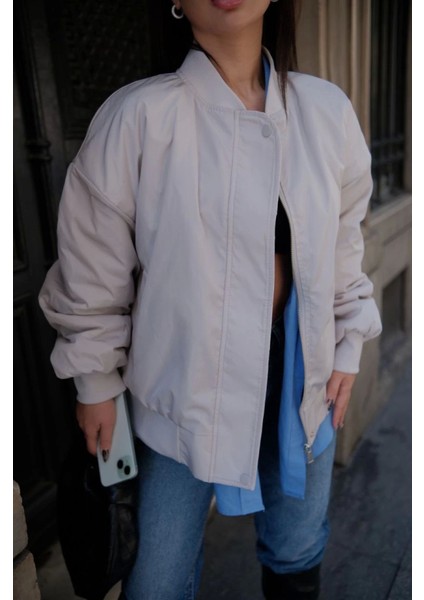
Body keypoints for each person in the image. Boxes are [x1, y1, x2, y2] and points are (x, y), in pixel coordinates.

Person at [39, 1, 382, 598]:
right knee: (155, 583)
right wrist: (94, 382)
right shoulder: (139, 116)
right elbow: (92, 268)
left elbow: (344, 240)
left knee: (298, 550)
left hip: (303, 378)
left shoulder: (326, 111)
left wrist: (349, 341)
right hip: (181, 392)